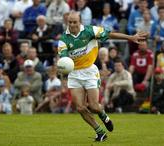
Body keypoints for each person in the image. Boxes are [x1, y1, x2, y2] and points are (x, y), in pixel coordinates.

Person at [58, 11, 148, 142]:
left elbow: (110, 34)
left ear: (80, 21)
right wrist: (63, 66)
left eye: (74, 22)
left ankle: (104, 115)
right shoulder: (63, 40)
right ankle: (100, 132)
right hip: (74, 74)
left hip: (90, 72)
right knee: (80, 107)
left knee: (94, 106)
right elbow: (64, 58)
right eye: (70, 22)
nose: (72, 24)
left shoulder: (90, 31)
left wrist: (130, 37)